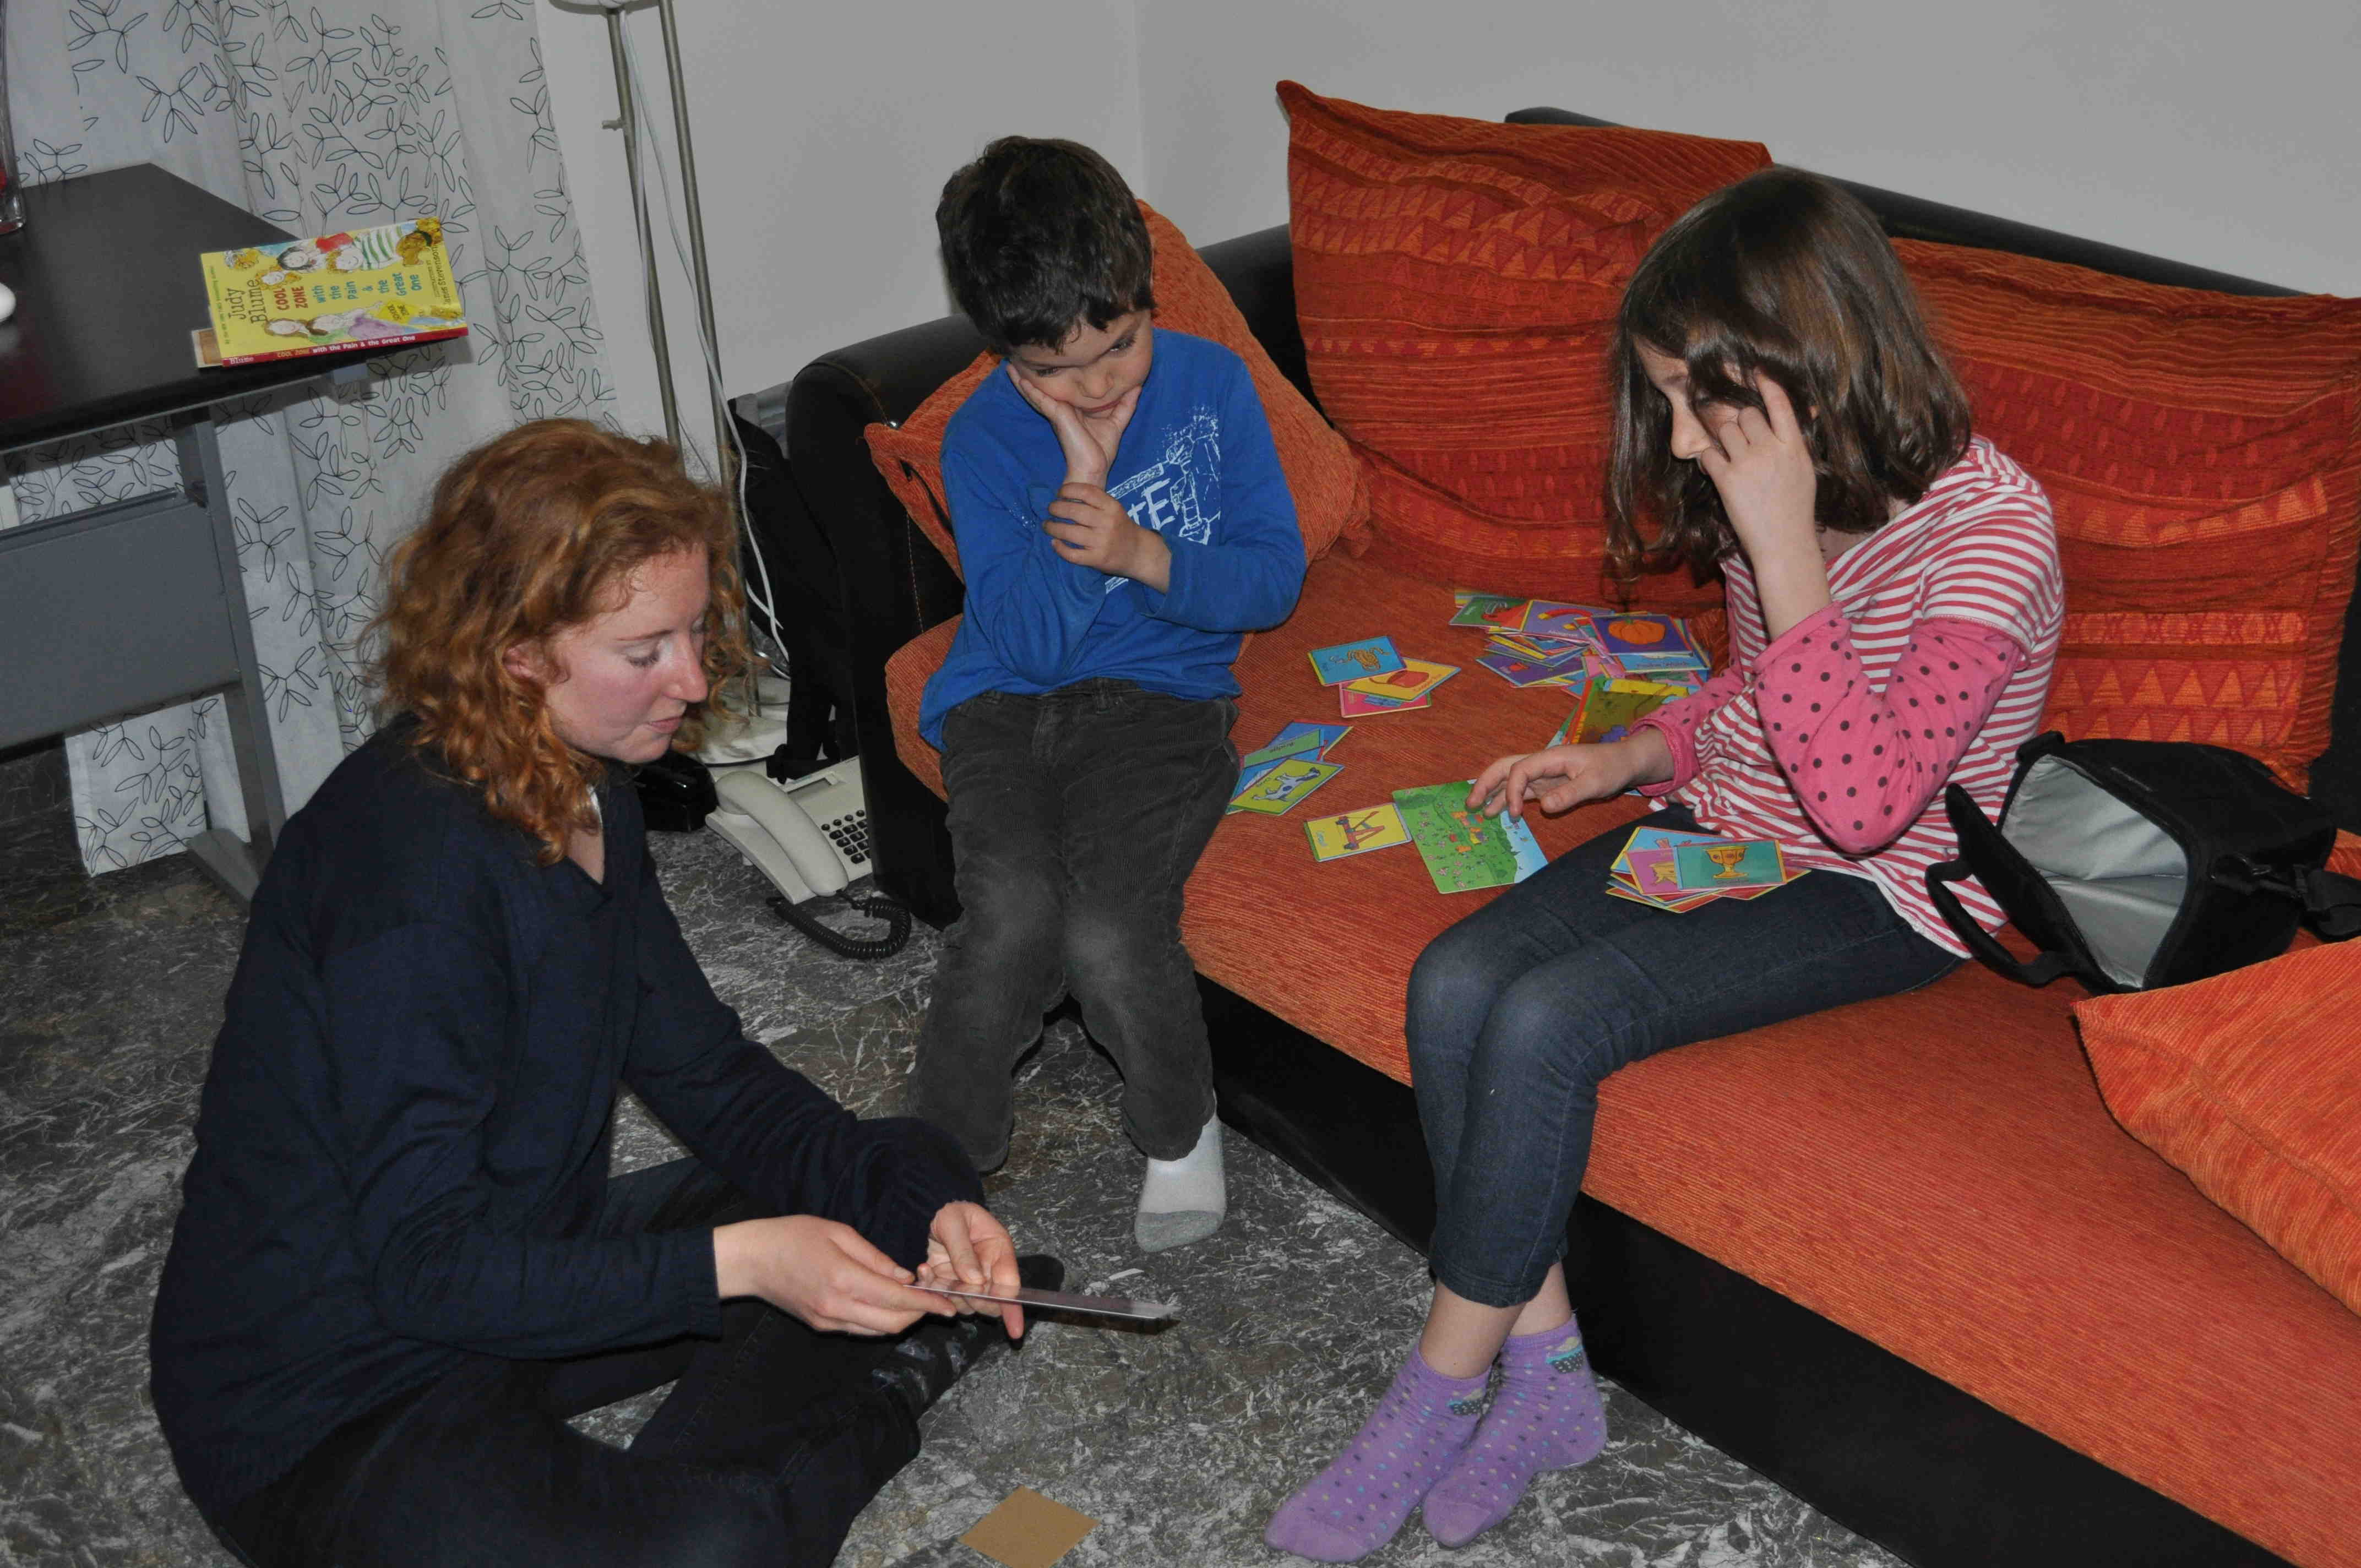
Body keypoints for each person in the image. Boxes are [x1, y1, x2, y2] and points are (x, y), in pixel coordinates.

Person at [1265, 167, 2064, 1561]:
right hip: (1736, 821)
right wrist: (1634, 755)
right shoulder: (1776, 484)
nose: (1684, 441)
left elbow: (1865, 801)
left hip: (1887, 889)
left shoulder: (1994, 539)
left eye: (1704, 402)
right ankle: (1547, 1377)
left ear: (1816, 363)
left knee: (1547, 1017)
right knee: (1454, 977)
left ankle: (1431, 1391)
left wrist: (1782, 544)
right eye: (1668, 402)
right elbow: (1758, 688)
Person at [149, 420, 1054, 1568]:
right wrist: (745, 1263)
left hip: (522, 1262)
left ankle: (694, 1472)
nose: (694, 680)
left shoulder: (584, 779)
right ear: (515, 652)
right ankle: (859, 1409)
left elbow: (708, 1072)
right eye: (644, 650)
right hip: (333, 1396)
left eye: (695, 630)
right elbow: (426, 1268)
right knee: (714, 1541)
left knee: (893, 1171)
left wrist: (924, 1206)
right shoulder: (409, 884)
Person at [906, 137, 1308, 1252]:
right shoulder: (982, 436)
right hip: (1001, 702)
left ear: (1147, 299)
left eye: (1120, 345)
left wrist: (1144, 554)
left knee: (1108, 927)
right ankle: (932, 1163)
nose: (1098, 386)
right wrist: (1083, 494)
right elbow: (1027, 646)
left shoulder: (1210, 385)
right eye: (1055, 370)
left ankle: (1178, 1129)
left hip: (1161, 701)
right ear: (1000, 350)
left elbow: (1271, 579)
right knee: (1007, 919)